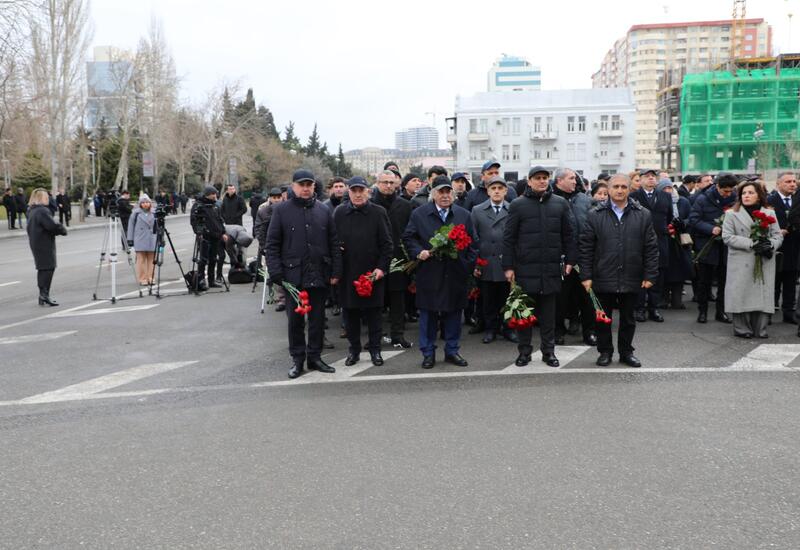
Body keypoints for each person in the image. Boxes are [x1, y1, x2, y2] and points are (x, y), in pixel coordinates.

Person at [266, 170, 342, 379]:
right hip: (293, 276)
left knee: (318, 319)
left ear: (314, 186)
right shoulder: (281, 210)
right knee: (295, 322)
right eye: (302, 185)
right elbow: (272, 245)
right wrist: (276, 273)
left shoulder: (323, 210)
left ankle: (315, 357)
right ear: (293, 186)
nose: (306, 188)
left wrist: (336, 270)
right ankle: (297, 359)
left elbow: (333, 242)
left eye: (309, 184)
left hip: (319, 273)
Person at [579, 174, 659, 368]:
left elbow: (651, 247)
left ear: (629, 188)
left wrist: (650, 275)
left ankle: (626, 352)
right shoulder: (595, 214)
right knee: (603, 319)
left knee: (628, 319)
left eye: (624, 186)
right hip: (602, 275)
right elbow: (586, 247)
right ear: (609, 189)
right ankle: (605, 351)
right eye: (616, 187)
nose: (620, 190)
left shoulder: (643, 214)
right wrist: (586, 275)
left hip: (632, 274)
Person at [503, 166, 576, 368]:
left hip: (551, 268)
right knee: (524, 315)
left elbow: (569, 235)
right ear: (529, 181)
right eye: (538, 178)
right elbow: (509, 238)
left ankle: (548, 352)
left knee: (549, 316)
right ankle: (524, 352)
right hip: (525, 269)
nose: (542, 181)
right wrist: (508, 266)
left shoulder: (560, 204)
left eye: (545, 178)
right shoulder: (518, 205)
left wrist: (571, 260)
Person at [403, 175, 478, 368]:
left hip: (455, 272)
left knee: (454, 314)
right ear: (432, 194)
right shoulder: (420, 214)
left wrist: (466, 265)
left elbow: (473, 243)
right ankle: (428, 353)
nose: (445, 196)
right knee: (428, 315)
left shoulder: (463, 215)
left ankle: (452, 350)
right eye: (441, 192)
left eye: (448, 192)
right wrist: (419, 252)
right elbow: (409, 238)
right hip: (430, 272)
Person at [334, 176, 393, 367]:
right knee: (350, 315)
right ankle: (354, 351)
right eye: (354, 191)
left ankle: (375, 350)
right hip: (348, 273)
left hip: (372, 273)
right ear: (348, 192)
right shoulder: (339, 212)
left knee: (374, 315)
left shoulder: (378, 212)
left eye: (362, 191)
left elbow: (387, 244)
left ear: (368, 191)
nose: (358, 194)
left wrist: (381, 269)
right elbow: (332, 241)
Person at [722, 181, 782, 338]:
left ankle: (760, 329)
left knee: (762, 293)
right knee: (740, 293)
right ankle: (742, 329)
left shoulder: (769, 213)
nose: (746, 196)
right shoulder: (731, 214)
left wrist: (770, 245)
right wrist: (752, 243)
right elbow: (727, 237)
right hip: (741, 259)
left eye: (750, 193)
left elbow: (777, 235)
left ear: (759, 196)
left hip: (764, 259)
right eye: (743, 193)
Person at [551, 168, 596, 346]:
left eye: (575, 178)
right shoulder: (550, 200)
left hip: (584, 256)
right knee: (559, 298)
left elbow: (593, 226)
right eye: (571, 178)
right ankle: (558, 331)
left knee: (587, 298)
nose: (575, 181)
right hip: (560, 258)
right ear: (559, 181)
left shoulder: (585, 201)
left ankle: (589, 331)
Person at [471, 175, 516, 344]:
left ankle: (508, 328)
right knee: (488, 300)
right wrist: (476, 262)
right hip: (486, 263)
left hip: (506, 264)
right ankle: (490, 329)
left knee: (507, 298)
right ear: (488, 191)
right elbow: (473, 238)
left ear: (505, 191)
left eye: (500, 188)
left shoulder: (513, 209)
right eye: (493, 188)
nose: (496, 191)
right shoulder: (477, 210)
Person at [371, 170, 414, 348]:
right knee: (376, 301)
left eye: (391, 182)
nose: (388, 186)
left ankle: (398, 334)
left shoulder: (405, 205)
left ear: (397, 183)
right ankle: (376, 336)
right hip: (375, 260)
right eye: (384, 182)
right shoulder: (370, 204)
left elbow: (410, 232)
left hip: (399, 259)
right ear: (377, 183)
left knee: (398, 299)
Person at [689, 173, 737, 324]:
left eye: (730, 191)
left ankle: (720, 311)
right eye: (725, 191)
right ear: (717, 186)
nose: (727, 194)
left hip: (727, 246)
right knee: (705, 281)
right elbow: (694, 219)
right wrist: (711, 229)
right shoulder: (703, 199)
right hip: (707, 245)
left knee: (724, 282)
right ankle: (702, 312)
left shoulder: (735, 199)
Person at [630, 170, 671, 322]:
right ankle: (639, 308)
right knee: (640, 276)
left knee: (657, 276)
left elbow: (669, 218)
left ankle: (654, 308)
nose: (651, 178)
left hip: (660, 240)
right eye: (647, 176)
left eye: (653, 176)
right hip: (638, 242)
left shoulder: (665, 196)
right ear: (640, 180)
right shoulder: (633, 197)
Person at [766, 172, 799, 324]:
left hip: (794, 247)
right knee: (774, 282)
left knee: (791, 282)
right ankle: (770, 311)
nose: (792, 184)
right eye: (788, 181)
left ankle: (788, 312)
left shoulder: (797, 199)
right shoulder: (769, 201)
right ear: (778, 184)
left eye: (794, 181)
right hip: (776, 248)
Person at [26, 188, 67, 306]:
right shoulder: (42, 211)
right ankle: (45, 295)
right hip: (44, 242)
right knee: (49, 268)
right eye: (46, 197)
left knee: (42, 268)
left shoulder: (31, 210)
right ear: (40, 198)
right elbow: (52, 225)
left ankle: (42, 295)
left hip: (36, 241)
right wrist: (62, 230)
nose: (48, 199)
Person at [659, 179, 693, 310]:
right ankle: (663, 299)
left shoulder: (683, 201)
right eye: (664, 188)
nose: (668, 191)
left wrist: (682, 223)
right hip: (665, 239)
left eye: (669, 188)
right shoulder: (658, 201)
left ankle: (677, 300)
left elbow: (691, 218)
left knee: (680, 271)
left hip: (680, 241)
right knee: (665, 271)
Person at [190, 185, 229, 290]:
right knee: (203, 259)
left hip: (216, 236)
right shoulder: (199, 205)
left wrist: (223, 232)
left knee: (213, 259)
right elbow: (194, 221)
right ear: (207, 194)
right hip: (204, 236)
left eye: (215, 194)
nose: (214, 196)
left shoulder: (214, 206)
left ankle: (211, 281)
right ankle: (201, 280)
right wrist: (199, 233)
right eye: (212, 194)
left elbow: (219, 220)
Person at [254, 187, 286, 311]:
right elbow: (258, 229)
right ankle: (280, 298)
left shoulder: (287, 209)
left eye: (279, 197)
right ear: (270, 198)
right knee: (274, 272)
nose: (277, 200)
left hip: (285, 245)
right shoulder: (263, 211)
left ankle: (286, 297)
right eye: (274, 197)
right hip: (270, 246)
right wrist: (263, 246)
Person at [127, 194, 157, 285]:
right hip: (139, 239)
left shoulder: (155, 212)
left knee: (152, 260)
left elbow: (160, 227)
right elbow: (130, 227)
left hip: (152, 238)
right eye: (143, 202)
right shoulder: (135, 213)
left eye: (147, 202)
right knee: (141, 260)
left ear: (150, 203)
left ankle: (150, 277)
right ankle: (142, 278)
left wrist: (161, 238)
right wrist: (130, 239)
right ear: (140, 204)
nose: (145, 204)